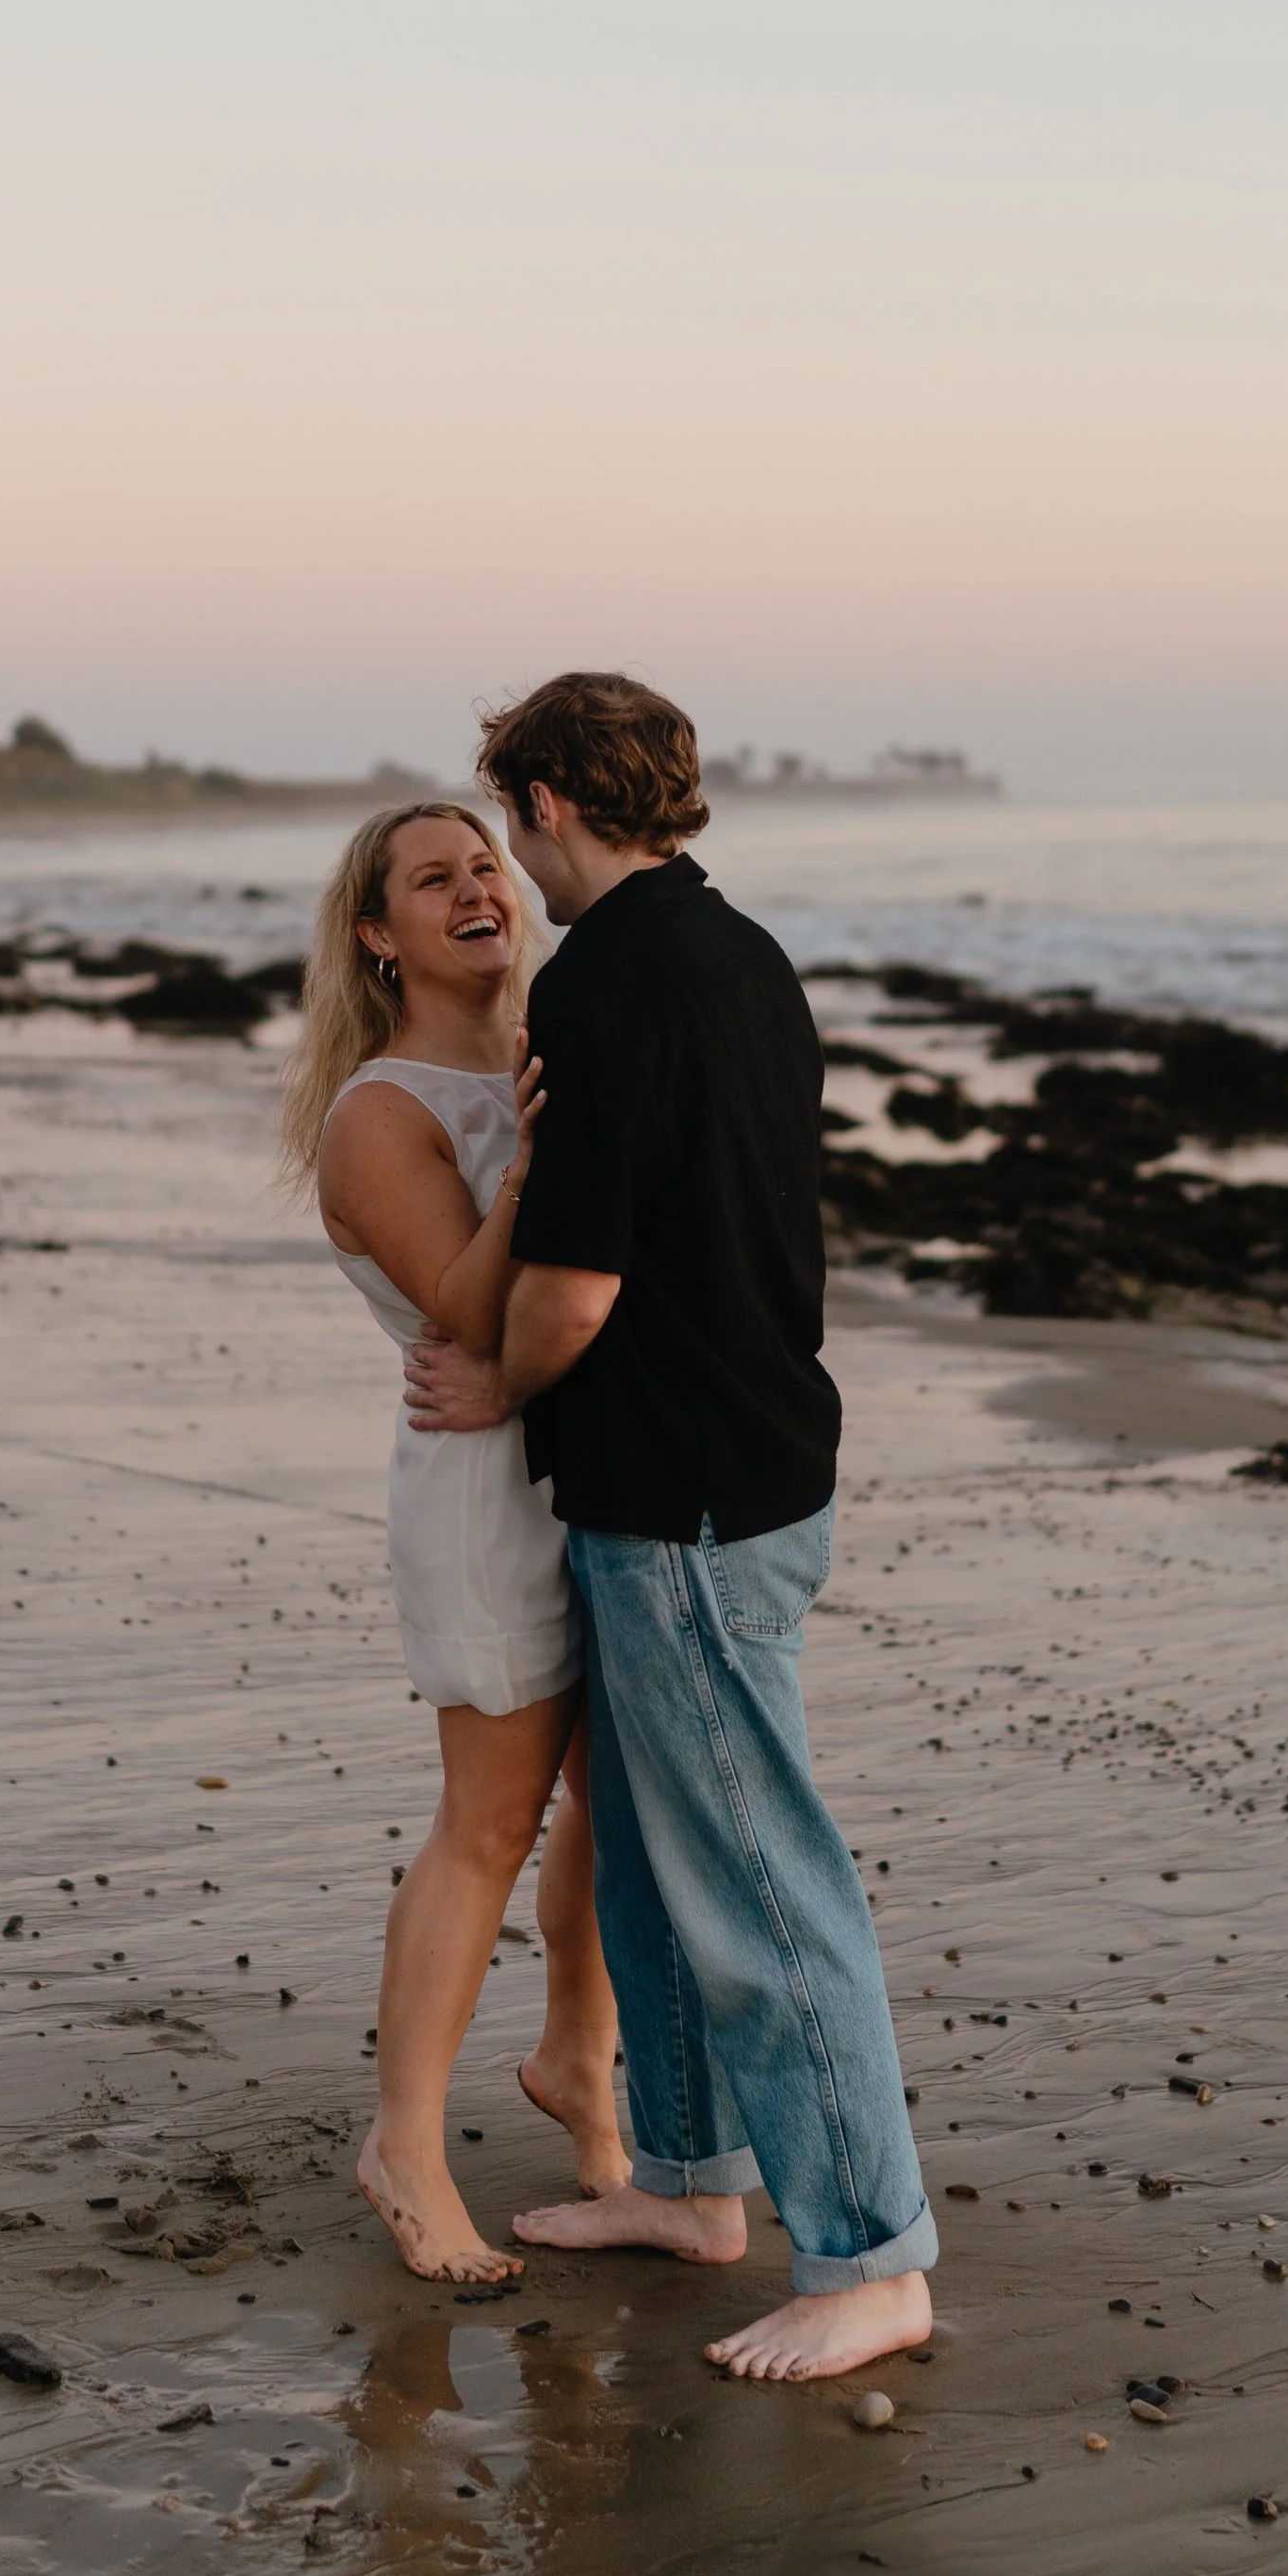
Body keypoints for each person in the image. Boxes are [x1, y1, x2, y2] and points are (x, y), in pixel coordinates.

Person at [405, 675, 936, 2381]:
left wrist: (499, 1381)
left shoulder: (611, 979)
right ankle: (695, 2181)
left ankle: (870, 2252)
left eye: (515, 814)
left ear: (555, 798)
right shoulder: (745, 950)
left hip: (690, 1486)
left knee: (759, 1869)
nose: (515, 856)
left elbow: (572, 1283)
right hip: (741, 1456)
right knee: (639, 1841)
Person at [277, 800, 628, 2286]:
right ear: (379, 931)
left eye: (487, 863)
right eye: (436, 878)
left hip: (595, 1465)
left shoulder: (551, 1039)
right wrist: (556, 1150)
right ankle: (405, 2145)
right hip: (483, 1500)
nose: (479, 887)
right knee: (489, 1823)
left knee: (616, 1805)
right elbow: (473, 1313)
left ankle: (575, 2059)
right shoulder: (380, 1112)